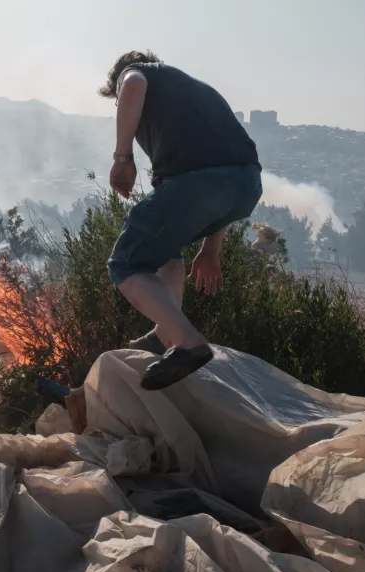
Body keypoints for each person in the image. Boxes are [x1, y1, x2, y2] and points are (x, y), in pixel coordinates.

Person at [101, 50, 263, 391]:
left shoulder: (137, 74)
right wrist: (210, 249)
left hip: (200, 182)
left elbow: (131, 86)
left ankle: (186, 342)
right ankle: (164, 337)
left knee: (126, 262)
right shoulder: (191, 94)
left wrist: (122, 157)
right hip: (247, 186)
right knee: (166, 254)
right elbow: (224, 172)